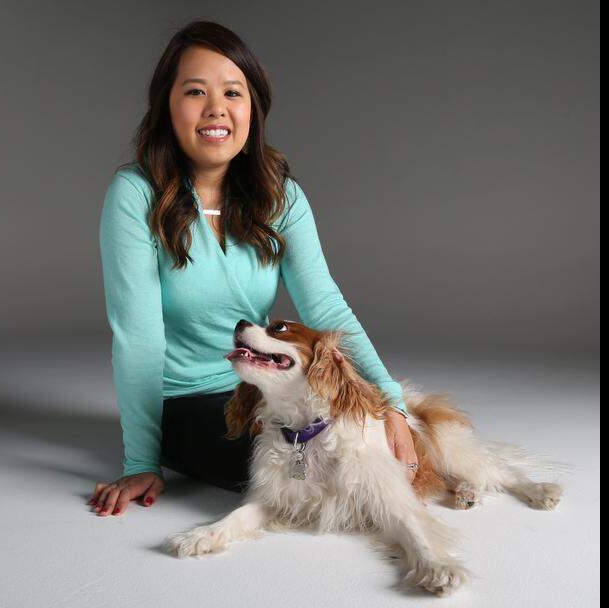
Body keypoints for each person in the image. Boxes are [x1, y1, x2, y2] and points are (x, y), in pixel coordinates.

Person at [90, 20, 417, 517]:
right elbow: (137, 335)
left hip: (268, 386)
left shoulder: (281, 195)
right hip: (186, 399)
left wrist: (389, 403)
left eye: (233, 93)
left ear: (253, 110)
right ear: (167, 107)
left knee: (354, 432)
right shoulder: (135, 194)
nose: (216, 109)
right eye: (195, 91)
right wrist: (141, 459)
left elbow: (324, 305)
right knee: (281, 467)